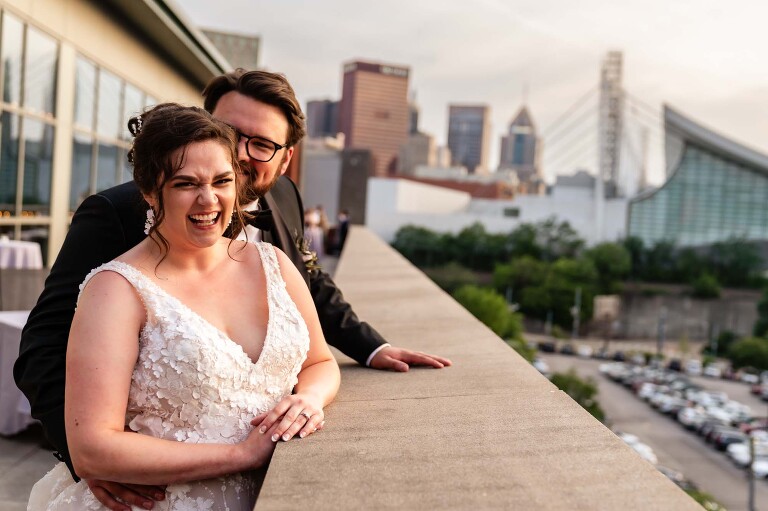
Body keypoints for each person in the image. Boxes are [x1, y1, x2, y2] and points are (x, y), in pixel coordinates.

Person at [15, 69, 450, 510]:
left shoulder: (280, 216)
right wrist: (92, 463)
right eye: (186, 182)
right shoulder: (113, 230)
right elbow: (46, 345)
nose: (241, 154)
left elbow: (310, 290)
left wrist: (369, 351)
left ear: (283, 159)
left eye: (259, 144)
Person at [26, 104, 340, 510]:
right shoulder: (116, 290)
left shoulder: (274, 265)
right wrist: (243, 455)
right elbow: (92, 449)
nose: (208, 199)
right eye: (185, 184)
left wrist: (308, 400)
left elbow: (320, 362)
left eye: (222, 181)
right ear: (150, 192)